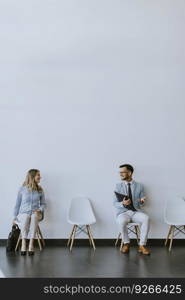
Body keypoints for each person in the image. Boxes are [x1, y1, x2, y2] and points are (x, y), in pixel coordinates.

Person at [113, 164, 150, 255]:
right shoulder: (118, 186)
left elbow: (142, 201)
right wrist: (122, 203)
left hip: (136, 211)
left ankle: (142, 245)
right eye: (120, 172)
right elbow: (114, 203)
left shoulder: (139, 186)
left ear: (130, 173)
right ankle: (126, 243)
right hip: (123, 212)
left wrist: (142, 201)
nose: (120, 174)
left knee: (146, 218)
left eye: (123, 172)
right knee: (121, 221)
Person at [13, 169, 46, 255]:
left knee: (34, 216)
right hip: (23, 213)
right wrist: (14, 217)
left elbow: (43, 204)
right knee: (27, 217)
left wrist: (40, 210)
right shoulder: (22, 189)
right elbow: (17, 204)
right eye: (38, 175)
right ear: (32, 176)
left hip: (36, 213)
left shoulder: (40, 189)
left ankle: (31, 244)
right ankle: (23, 243)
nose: (40, 177)